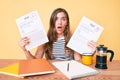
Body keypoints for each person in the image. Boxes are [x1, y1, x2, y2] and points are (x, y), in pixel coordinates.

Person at [18, 8, 97, 61]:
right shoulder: (45, 40)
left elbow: (79, 62)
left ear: (67, 23)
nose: (59, 22)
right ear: (52, 22)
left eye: (63, 19)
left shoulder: (72, 39)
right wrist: (25, 50)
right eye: (56, 19)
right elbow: (35, 63)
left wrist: (90, 54)